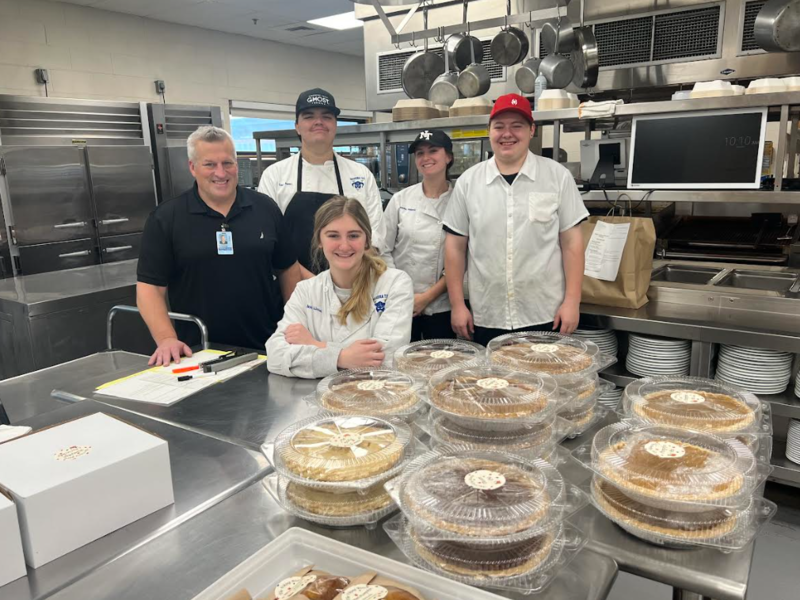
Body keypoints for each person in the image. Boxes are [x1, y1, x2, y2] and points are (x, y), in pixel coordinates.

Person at [137, 125, 302, 365]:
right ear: (193, 167)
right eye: (210, 164)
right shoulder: (166, 218)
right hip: (198, 352)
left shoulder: (265, 209)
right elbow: (150, 288)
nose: (221, 173)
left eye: (228, 163)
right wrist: (166, 339)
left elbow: (288, 270)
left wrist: (294, 323)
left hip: (268, 348)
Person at [443, 93, 588, 347]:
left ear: (531, 130)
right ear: (489, 131)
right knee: (493, 386)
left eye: (516, 126)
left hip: (545, 313)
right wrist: (457, 305)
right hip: (487, 315)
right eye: (499, 127)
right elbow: (455, 247)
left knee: (546, 385)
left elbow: (572, 244)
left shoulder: (557, 176)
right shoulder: (469, 182)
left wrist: (572, 302)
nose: (507, 134)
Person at [266, 196, 414, 379]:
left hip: (375, 399)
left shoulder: (395, 283)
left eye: (353, 235)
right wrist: (342, 357)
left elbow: (385, 360)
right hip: (313, 401)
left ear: (367, 240)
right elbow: (275, 357)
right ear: (320, 240)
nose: (344, 246)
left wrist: (314, 344)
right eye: (333, 235)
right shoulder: (306, 291)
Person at [257, 88, 384, 277]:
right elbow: (268, 240)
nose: (318, 122)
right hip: (292, 285)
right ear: (297, 126)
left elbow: (375, 237)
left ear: (335, 125)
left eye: (326, 116)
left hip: (351, 283)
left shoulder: (360, 175)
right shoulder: (274, 175)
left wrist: (341, 282)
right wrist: (314, 286)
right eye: (309, 116)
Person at [380, 129, 456, 341]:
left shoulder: (461, 199)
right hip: (401, 301)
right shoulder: (401, 200)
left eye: (433, 151)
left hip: (444, 304)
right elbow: (381, 249)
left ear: (448, 156)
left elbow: (462, 258)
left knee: (440, 366)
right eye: (420, 153)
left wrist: (427, 297)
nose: (426, 158)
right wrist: (402, 291)